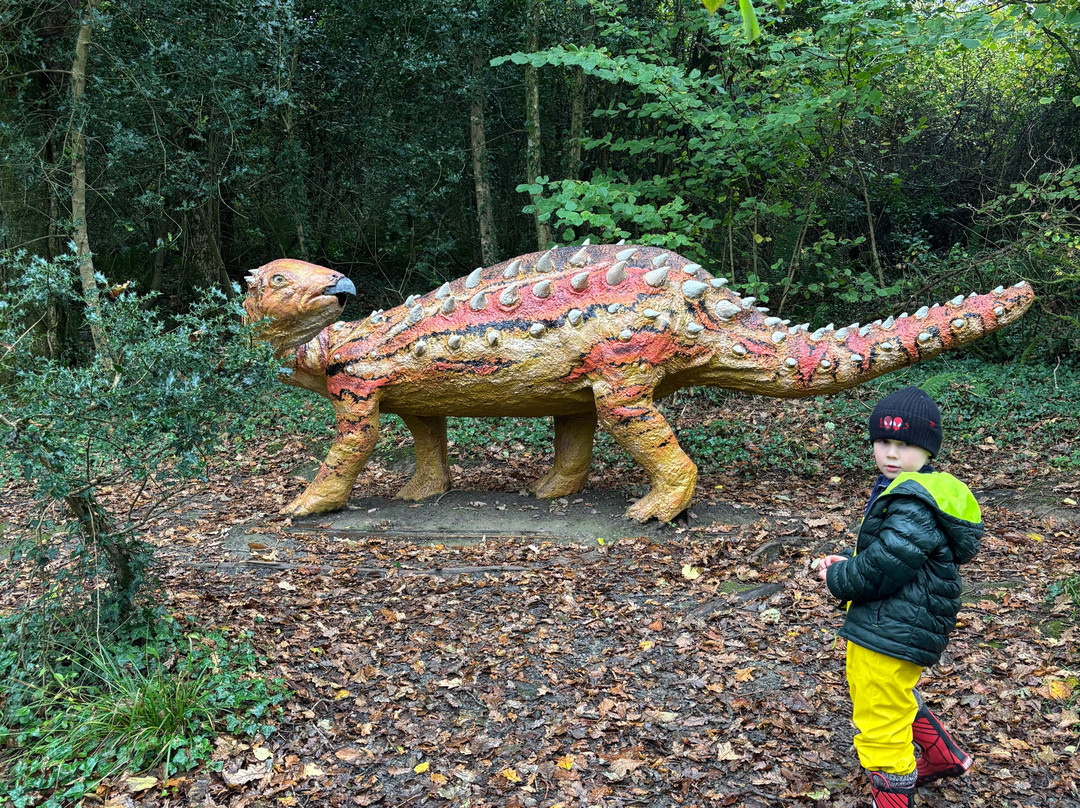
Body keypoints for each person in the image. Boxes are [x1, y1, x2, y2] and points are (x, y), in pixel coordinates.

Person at [814, 386, 982, 807]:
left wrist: (839, 576)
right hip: (898, 619)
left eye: (905, 445)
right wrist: (850, 560)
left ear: (927, 451)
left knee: (879, 718)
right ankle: (944, 757)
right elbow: (890, 554)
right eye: (883, 442)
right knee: (890, 695)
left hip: (892, 624)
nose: (891, 453)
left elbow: (886, 565)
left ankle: (892, 796)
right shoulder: (911, 490)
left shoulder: (912, 500)